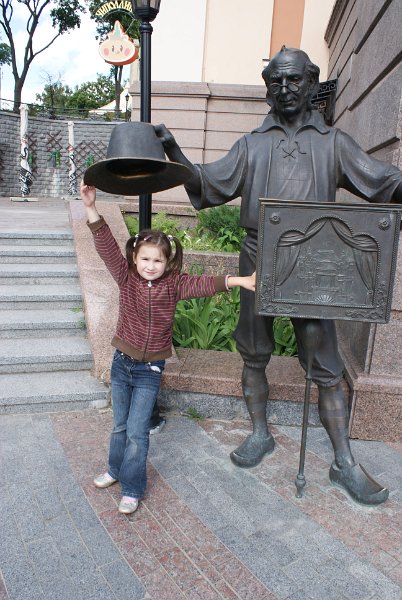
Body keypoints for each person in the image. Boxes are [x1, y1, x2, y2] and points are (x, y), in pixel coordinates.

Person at [155, 46, 402, 506]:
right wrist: (174, 153)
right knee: (254, 352)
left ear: (311, 84)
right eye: (276, 81)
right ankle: (259, 433)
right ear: (268, 89)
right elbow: (207, 182)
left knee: (325, 365)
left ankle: (343, 460)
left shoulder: (334, 142)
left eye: (294, 80)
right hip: (258, 258)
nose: (285, 88)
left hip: (314, 263)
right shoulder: (252, 144)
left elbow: (384, 182)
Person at [80, 181, 256, 514]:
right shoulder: (126, 278)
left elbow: (205, 284)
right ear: (135, 258)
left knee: (137, 430)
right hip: (122, 363)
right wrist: (91, 207)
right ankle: (115, 469)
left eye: (157, 261)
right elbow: (105, 245)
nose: (151, 265)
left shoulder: (174, 285)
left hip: (149, 369)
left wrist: (240, 280)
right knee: (119, 425)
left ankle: (132, 488)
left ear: (167, 262)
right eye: (145, 258)